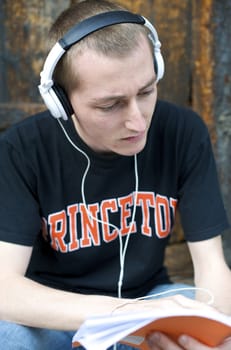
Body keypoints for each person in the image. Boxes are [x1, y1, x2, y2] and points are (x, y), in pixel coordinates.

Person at [0, 0, 230, 349]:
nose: (138, 122)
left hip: (150, 301)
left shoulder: (184, 131)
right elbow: (5, 290)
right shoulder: (21, 149)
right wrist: (119, 312)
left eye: (147, 91)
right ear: (62, 101)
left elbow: (212, 268)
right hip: (56, 313)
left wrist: (219, 336)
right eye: (110, 105)